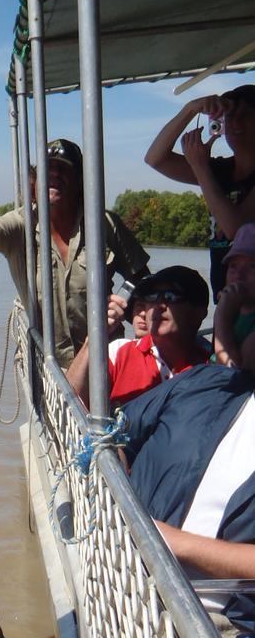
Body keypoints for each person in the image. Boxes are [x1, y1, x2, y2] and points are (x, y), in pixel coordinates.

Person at [0, 138, 150, 367]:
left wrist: (130, 310)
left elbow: (142, 280)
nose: (54, 174)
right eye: (48, 169)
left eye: (63, 169)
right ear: (34, 183)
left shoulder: (104, 223)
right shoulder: (20, 224)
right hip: (49, 369)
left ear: (80, 181)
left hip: (105, 359)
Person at [122, 364, 255, 638]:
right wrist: (117, 495)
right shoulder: (205, 382)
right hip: (124, 579)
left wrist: (173, 542)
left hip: (227, 628)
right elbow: (114, 434)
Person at [145, 84, 255, 301]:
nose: (235, 123)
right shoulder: (220, 171)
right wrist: (190, 109)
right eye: (229, 117)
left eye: (245, 116)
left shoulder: (207, 170)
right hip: (226, 299)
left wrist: (200, 167)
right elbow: (155, 158)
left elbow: (236, 229)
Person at [66, 266, 210, 408]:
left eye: (170, 297)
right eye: (152, 296)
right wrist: (94, 338)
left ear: (198, 312)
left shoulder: (210, 366)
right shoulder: (118, 353)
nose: (158, 305)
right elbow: (66, 403)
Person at [213, 221, 255, 371]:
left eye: (252, 266)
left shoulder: (227, 313)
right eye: (233, 266)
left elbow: (233, 377)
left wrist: (222, 315)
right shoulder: (234, 312)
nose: (238, 275)